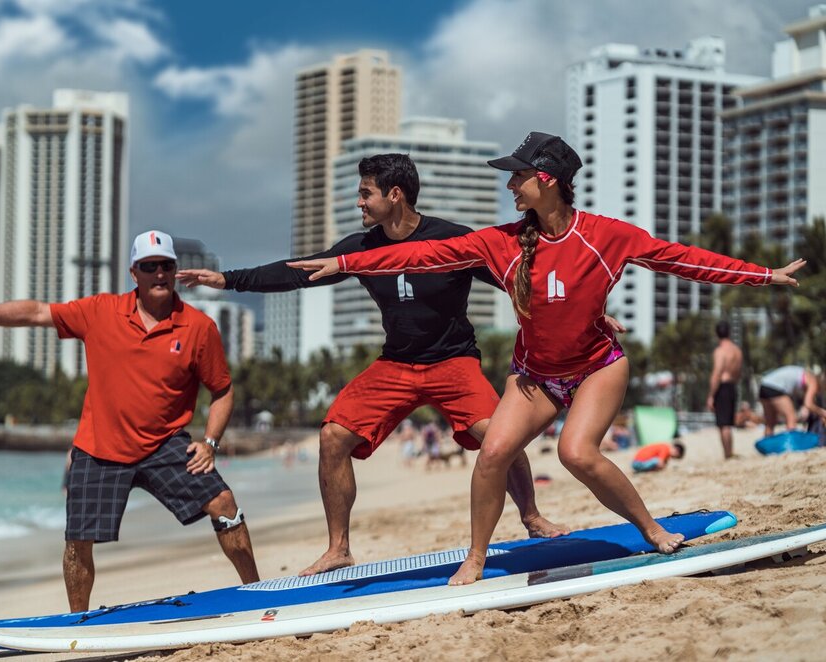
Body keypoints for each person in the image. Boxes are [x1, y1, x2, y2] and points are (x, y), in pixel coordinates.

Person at [289, 131, 805, 585]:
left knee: (577, 454)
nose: (510, 188)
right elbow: (419, 254)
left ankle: (651, 528)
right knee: (492, 453)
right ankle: (475, 557)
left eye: (517, 178)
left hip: (597, 367)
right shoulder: (501, 243)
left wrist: (764, 276)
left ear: (547, 179)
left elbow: (684, 260)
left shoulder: (606, 236)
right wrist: (343, 261)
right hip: (534, 375)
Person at [178, 153, 574, 576]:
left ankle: (531, 516)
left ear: (395, 194)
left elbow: (516, 280)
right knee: (332, 437)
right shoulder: (361, 247)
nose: (359, 203)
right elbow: (299, 271)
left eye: (366, 194)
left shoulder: (451, 240)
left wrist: (580, 310)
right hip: (396, 365)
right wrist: (229, 279)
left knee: (500, 438)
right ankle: (339, 548)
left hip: (453, 361)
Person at [0, 230, 259, 611]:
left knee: (224, 503)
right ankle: (78, 624)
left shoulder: (198, 327)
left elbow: (223, 390)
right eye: (150, 267)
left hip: (166, 443)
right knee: (78, 541)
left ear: (175, 270)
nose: (159, 274)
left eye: (166, 265)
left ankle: (257, 596)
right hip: (99, 447)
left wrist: (210, 442)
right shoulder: (100, 311)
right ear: (135, 273)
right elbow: (34, 312)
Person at [706, 320, 744, 459]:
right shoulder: (737, 351)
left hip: (722, 387)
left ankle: (727, 454)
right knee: (728, 422)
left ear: (717, 334)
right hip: (733, 386)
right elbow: (739, 372)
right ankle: (730, 452)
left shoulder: (720, 351)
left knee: (723, 424)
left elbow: (717, 373)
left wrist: (711, 395)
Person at [758, 365, 826, 437]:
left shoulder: (806, 375)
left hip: (764, 385)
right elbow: (808, 404)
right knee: (791, 418)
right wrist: (823, 413)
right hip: (776, 388)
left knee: (770, 422)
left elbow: (806, 402)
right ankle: (790, 445)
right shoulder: (813, 381)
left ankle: (768, 445)